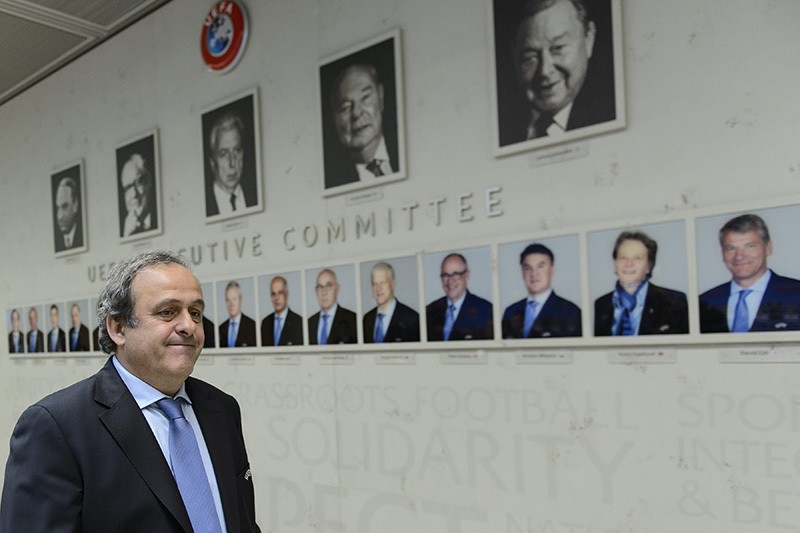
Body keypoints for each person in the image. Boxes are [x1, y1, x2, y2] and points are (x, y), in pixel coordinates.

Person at [0, 251, 260, 531]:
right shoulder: (57, 427)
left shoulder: (221, 409)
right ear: (118, 328)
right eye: (168, 312)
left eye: (195, 313)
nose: (189, 326)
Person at [506, 0, 615, 142]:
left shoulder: (609, 113)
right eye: (530, 57)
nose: (545, 71)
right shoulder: (506, 128)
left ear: (589, 38)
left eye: (558, 48)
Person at [699, 214, 800, 333]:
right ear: (722, 253)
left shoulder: (796, 292)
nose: (739, 256)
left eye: (750, 246)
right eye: (731, 248)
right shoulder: (705, 302)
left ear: (768, 248)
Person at [594, 231, 688, 336]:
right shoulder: (600, 305)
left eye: (637, 258)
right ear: (615, 264)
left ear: (648, 266)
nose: (628, 264)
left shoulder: (674, 302)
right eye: (623, 257)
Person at [325, 64, 399, 189]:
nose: (357, 113)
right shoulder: (334, 179)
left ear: (381, 96)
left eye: (365, 98)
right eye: (346, 107)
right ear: (334, 118)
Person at [502, 243, 582, 338]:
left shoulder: (571, 311)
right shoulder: (511, 311)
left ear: (552, 270)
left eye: (540, 266)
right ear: (522, 273)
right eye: (528, 268)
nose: (534, 274)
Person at [426, 253, 494, 341]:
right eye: (445, 275)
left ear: (467, 276)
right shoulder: (429, 311)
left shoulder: (486, 310)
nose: (450, 281)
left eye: (455, 274)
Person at [205, 112, 257, 216]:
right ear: (212, 162)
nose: (232, 163)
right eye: (223, 154)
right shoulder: (205, 203)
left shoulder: (255, 194)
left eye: (237, 150)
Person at [363, 262, 420, 343]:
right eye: (374, 284)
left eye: (383, 283)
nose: (378, 288)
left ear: (393, 284)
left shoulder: (411, 318)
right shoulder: (367, 319)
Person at [308, 269, 357, 344]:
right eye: (320, 287)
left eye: (328, 286)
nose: (323, 292)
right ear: (316, 291)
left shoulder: (353, 320)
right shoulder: (309, 323)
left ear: (337, 289)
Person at [120, 153, 157, 237]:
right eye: (127, 188)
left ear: (149, 183)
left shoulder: (156, 219)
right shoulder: (125, 228)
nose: (134, 194)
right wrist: (126, 236)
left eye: (138, 183)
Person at [261, 276, 303, 346]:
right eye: (273, 294)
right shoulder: (265, 322)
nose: (276, 298)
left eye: (280, 293)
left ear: (286, 295)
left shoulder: (298, 322)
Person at [218, 281, 257, 348]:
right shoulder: (220, 328)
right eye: (228, 300)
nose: (231, 304)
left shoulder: (252, 326)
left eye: (234, 299)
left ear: (240, 300)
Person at [54, 176, 83, 252]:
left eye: (64, 207)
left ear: (75, 205)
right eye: (58, 208)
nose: (60, 216)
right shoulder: (57, 242)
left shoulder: (82, 236)